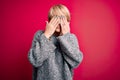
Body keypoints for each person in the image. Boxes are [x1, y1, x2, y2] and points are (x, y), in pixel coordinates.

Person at [28, 4, 83, 80]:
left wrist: (66, 37)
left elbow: (76, 61)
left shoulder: (71, 38)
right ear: (49, 21)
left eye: (62, 19)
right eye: (55, 19)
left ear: (68, 22)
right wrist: (46, 35)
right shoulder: (40, 35)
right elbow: (35, 60)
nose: (59, 23)